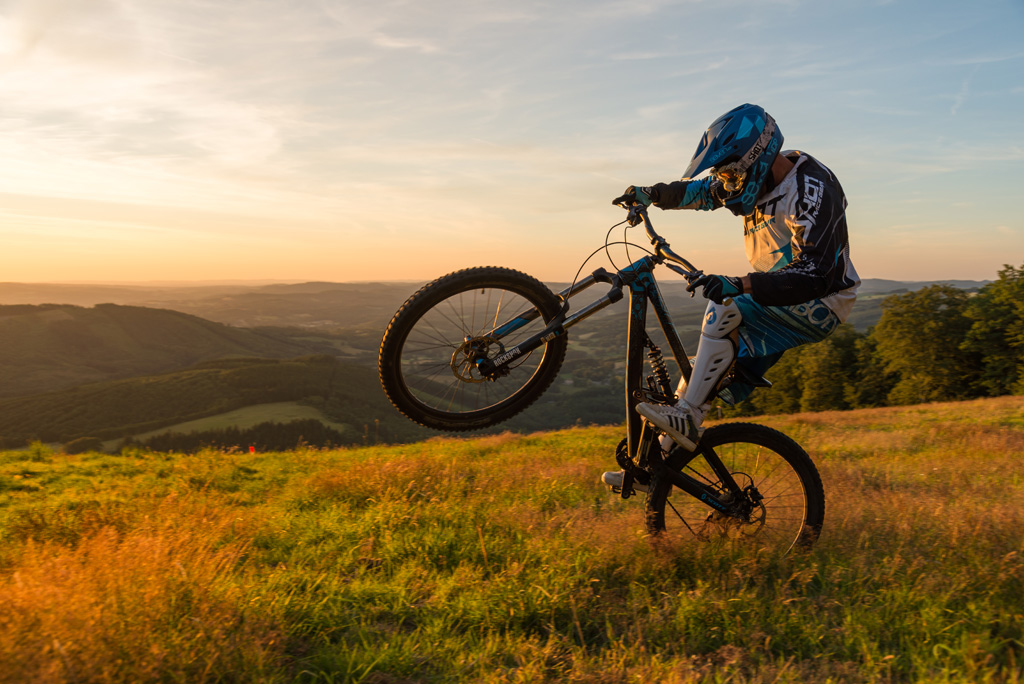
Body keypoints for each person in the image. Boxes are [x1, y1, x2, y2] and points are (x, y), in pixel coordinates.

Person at [603, 103, 860, 492]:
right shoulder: (745, 179)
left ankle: (686, 419)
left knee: (723, 309)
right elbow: (701, 192)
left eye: (730, 172)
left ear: (755, 157)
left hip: (822, 300)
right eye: (723, 173)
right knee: (700, 377)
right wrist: (651, 194)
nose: (727, 183)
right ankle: (651, 471)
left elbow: (818, 274)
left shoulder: (812, 189)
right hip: (780, 295)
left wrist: (742, 285)